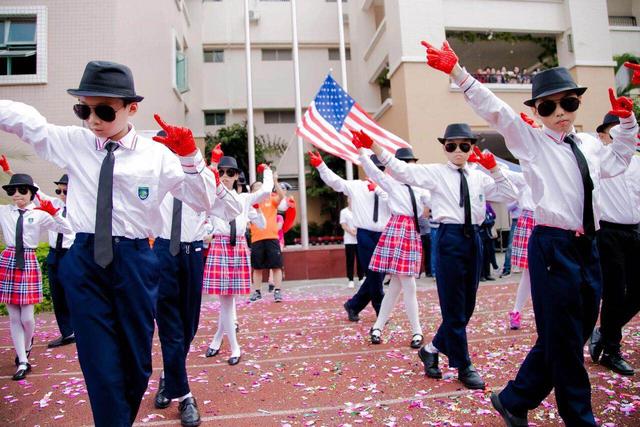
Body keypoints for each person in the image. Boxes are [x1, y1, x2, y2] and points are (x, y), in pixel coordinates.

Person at [420, 40, 638, 426]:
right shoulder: (531, 142)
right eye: (548, 106)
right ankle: (579, 418)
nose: (559, 113)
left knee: (572, 332)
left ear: (577, 105)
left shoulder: (588, 143)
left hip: (590, 246)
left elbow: (619, 160)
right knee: (567, 344)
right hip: (552, 247)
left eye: (568, 103)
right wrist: (459, 73)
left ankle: (514, 399)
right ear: (536, 112)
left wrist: (628, 122)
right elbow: (498, 112)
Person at [0, 61, 217, 426]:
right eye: (83, 109)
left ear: (132, 108)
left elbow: (202, 201)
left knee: (137, 365)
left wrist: (191, 159)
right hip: (84, 260)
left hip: (135, 261)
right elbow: (27, 121)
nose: (93, 120)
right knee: (98, 363)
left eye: (103, 110)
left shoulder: (157, 156)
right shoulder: (75, 143)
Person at [367, 123, 518, 390]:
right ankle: (463, 365)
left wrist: (494, 168)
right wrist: (376, 148)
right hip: (449, 238)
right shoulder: (436, 173)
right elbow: (402, 170)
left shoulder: (480, 176)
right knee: (453, 307)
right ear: (445, 148)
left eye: (464, 145)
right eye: (451, 146)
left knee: (466, 307)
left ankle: (432, 348)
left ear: (472, 147)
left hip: (475, 239)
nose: (458, 151)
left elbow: (509, 194)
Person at [152, 141, 241, 426]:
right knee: (170, 328)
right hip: (163, 253)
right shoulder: (153, 178)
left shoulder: (200, 183)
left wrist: (215, 184)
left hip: (192, 255)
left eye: (178, 152)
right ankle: (185, 397)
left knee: (188, 327)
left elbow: (233, 210)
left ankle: (168, 375)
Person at [355, 140, 429, 349]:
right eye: (405, 163)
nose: (408, 167)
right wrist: (361, 151)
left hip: (411, 232)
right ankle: (417, 331)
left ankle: (378, 327)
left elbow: (433, 201)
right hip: (398, 229)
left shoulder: (420, 187)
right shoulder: (392, 183)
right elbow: (374, 172)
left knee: (397, 285)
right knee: (408, 284)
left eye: (411, 163)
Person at [0, 174, 72, 380]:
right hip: (9, 260)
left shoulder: (39, 213)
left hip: (29, 261)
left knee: (28, 319)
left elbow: (66, 229)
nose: (17, 195)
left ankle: (28, 343)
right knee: (14, 317)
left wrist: (55, 214)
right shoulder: (5, 211)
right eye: (12, 191)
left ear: (31, 192)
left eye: (22, 190)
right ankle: (23, 360)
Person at [309, 150, 391, 322]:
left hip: (385, 234)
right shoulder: (356, 186)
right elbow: (336, 182)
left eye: (381, 168)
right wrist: (321, 166)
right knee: (375, 274)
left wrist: (380, 189)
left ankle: (353, 305)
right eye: (374, 168)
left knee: (379, 275)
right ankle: (380, 311)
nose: (378, 171)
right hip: (365, 234)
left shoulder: (390, 186)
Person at [205, 155, 272, 361]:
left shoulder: (244, 199)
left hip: (238, 247)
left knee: (227, 301)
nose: (225, 176)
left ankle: (217, 339)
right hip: (220, 246)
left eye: (230, 173)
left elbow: (267, 191)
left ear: (236, 177)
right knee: (226, 301)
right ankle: (235, 347)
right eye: (221, 172)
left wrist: (267, 171)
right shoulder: (212, 198)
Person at [588, 112, 640, 376]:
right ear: (602, 136)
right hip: (608, 233)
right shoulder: (599, 162)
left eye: (624, 130)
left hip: (635, 231)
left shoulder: (638, 163)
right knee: (614, 292)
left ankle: (605, 331)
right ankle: (611, 350)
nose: (620, 136)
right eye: (613, 131)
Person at [249, 165, 285, 302]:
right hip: (257, 239)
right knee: (257, 268)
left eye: (261, 185)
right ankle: (257, 291)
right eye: (256, 187)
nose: (260, 188)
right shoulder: (251, 202)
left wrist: (275, 181)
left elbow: (282, 196)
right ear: (252, 191)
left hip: (272, 238)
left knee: (276, 266)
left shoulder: (271, 198)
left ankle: (277, 291)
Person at [339, 197, 363, 288]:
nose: (351, 200)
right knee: (350, 260)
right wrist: (351, 232)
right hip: (349, 240)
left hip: (359, 239)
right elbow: (343, 225)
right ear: (347, 200)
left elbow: (363, 222)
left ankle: (361, 278)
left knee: (360, 260)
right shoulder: (344, 212)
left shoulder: (359, 210)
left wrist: (357, 231)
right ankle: (350, 279)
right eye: (350, 198)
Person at [479, 202, 497, 281]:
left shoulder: (487, 204)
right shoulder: (477, 205)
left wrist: (489, 221)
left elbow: (493, 215)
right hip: (480, 233)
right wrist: (489, 221)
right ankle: (481, 274)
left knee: (488, 254)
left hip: (488, 234)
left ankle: (487, 273)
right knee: (481, 254)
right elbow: (481, 221)